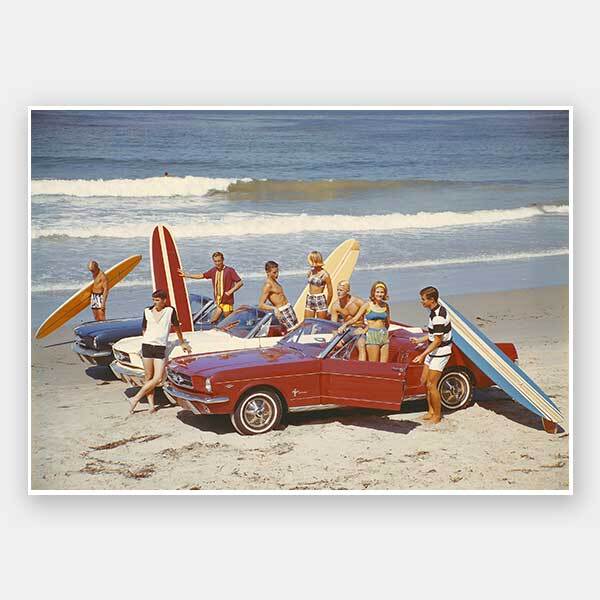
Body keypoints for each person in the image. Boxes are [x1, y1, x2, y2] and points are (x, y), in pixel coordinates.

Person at [127, 289, 192, 414]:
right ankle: (151, 406)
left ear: (164, 300)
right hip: (147, 346)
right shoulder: (147, 311)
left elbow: (176, 327)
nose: (155, 302)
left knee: (157, 379)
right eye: (153, 300)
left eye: (157, 300)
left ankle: (135, 398)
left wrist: (182, 342)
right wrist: (144, 341)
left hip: (160, 347)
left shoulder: (170, 311)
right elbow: (144, 328)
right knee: (148, 377)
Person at [410, 286, 453, 424]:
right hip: (433, 351)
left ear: (432, 300)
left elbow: (438, 341)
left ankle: (437, 415)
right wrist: (418, 340)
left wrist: (422, 355)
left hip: (440, 353)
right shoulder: (434, 312)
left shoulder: (438, 317)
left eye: (423, 299)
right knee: (425, 381)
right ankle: (431, 411)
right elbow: (432, 335)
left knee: (431, 385)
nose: (421, 301)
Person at [178, 252, 243, 323]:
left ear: (223, 260)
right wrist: (187, 275)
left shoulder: (230, 270)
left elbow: (240, 283)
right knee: (213, 321)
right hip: (219, 302)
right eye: (215, 261)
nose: (217, 263)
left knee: (229, 323)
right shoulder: (213, 271)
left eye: (219, 261)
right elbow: (202, 276)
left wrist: (229, 292)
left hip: (227, 302)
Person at [338, 281, 390, 363]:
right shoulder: (367, 305)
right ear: (373, 293)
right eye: (377, 292)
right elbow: (355, 319)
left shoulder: (386, 306)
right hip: (372, 336)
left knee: (384, 365)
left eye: (382, 292)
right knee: (374, 365)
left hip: (383, 335)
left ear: (385, 293)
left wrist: (384, 332)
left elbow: (387, 323)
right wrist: (344, 325)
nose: (379, 294)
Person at [330, 280, 367, 361]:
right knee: (331, 345)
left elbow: (371, 317)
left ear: (347, 290)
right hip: (347, 329)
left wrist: (364, 330)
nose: (338, 292)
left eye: (341, 290)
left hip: (359, 328)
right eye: (337, 290)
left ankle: (362, 367)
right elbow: (333, 325)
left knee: (361, 345)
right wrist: (336, 338)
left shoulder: (357, 302)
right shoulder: (335, 306)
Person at [258, 260, 298, 332]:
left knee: (297, 330)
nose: (277, 274)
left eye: (277, 272)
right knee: (292, 332)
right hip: (282, 312)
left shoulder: (274, 281)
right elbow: (261, 305)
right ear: (267, 272)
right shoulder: (268, 285)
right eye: (274, 272)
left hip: (289, 308)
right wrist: (274, 309)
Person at [304, 251, 333, 319]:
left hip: (320, 299)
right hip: (310, 298)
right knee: (308, 322)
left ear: (314, 260)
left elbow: (330, 293)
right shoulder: (310, 272)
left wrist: (326, 306)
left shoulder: (325, 275)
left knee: (320, 323)